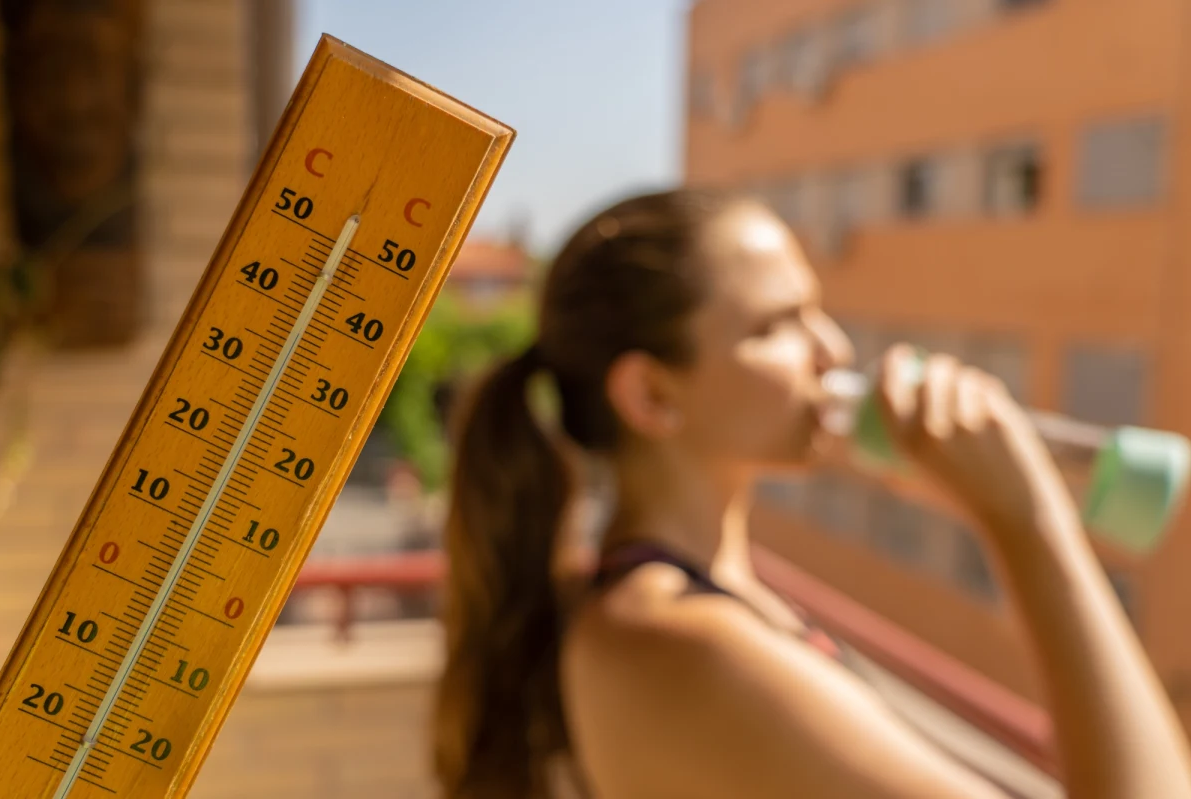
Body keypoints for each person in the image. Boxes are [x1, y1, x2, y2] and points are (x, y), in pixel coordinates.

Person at [432, 188, 1191, 798]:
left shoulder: (703, 602)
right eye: (778, 323)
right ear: (653, 393)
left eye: (817, 310)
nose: (832, 350)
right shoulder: (674, 641)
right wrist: (1028, 521)